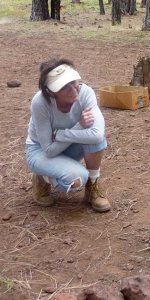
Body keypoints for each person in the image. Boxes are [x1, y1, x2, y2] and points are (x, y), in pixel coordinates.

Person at [26, 58, 111, 212]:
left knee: (95, 137)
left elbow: (97, 135)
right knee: (77, 179)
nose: (73, 90)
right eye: (64, 87)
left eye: (74, 82)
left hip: (65, 143)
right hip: (40, 150)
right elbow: (49, 150)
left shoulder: (86, 92)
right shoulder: (40, 102)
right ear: (50, 91)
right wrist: (80, 126)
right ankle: (42, 176)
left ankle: (92, 187)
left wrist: (61, 134)